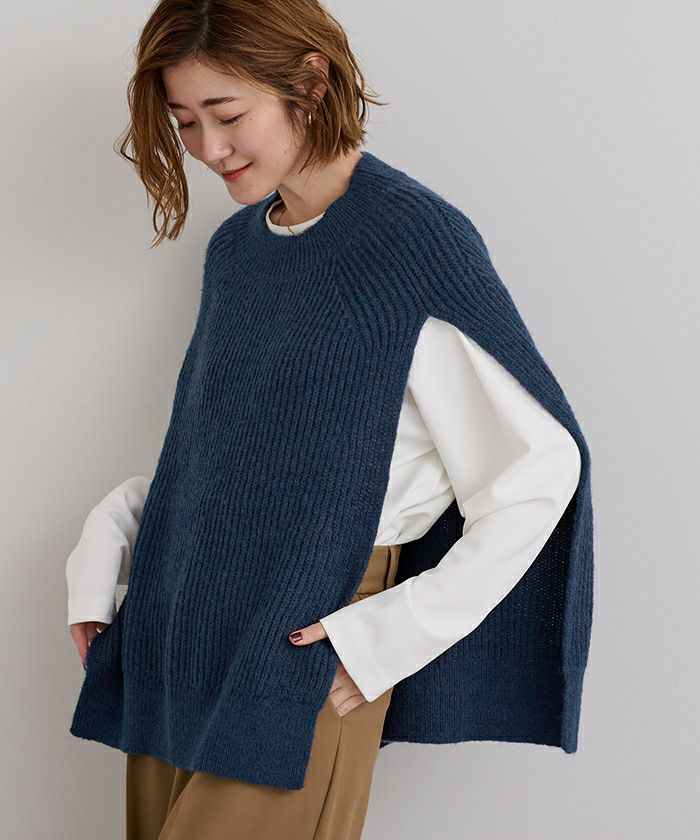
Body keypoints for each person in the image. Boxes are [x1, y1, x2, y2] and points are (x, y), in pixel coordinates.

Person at [66, 2, 593, 839]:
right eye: (185, 121)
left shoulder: (411, 243)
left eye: (226, 114)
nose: (208, 148)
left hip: (299, 636)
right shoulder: (237, 251)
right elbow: (223, 455)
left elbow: (539, 473)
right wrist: (111, 538)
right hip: (179, 627)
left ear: (310, 81)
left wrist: (384, 638)